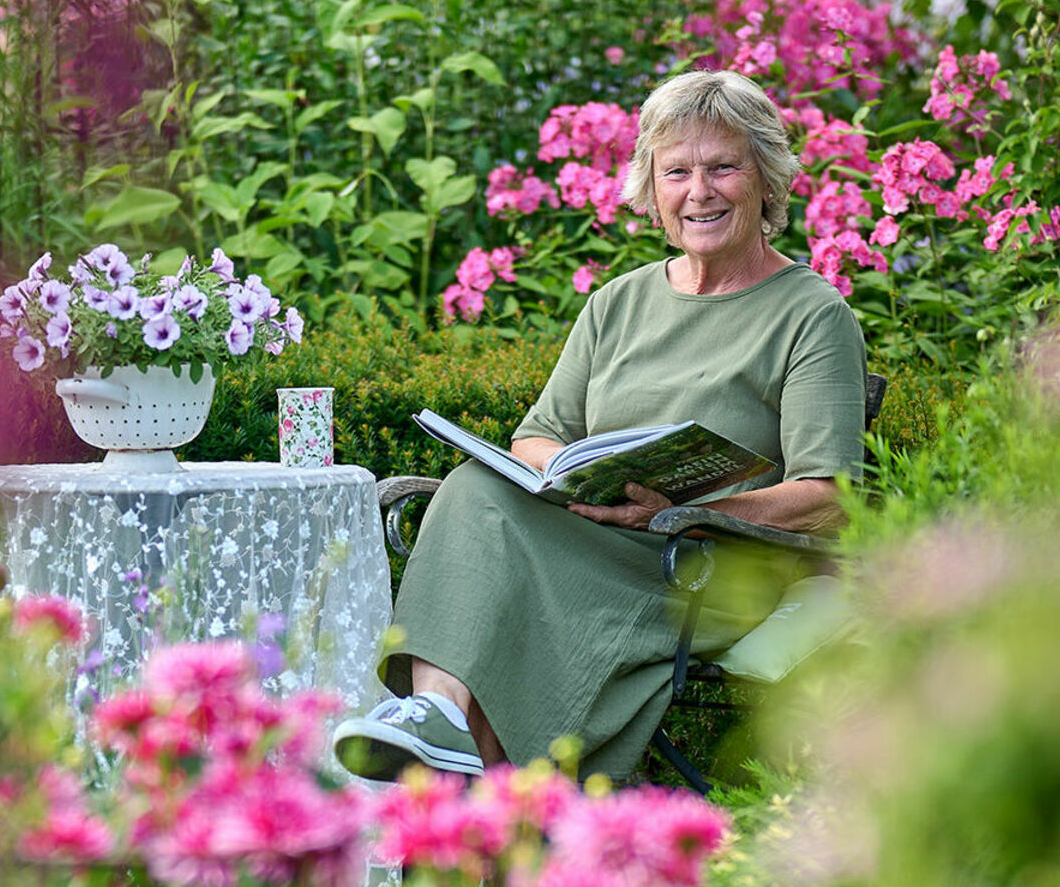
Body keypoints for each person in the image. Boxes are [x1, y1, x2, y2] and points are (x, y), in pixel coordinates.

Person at [331, 69, 867, 782]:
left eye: (722, 168)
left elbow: (828, 495)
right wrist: (569, 472)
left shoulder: (811, 314)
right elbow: (539, 432)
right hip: (590, 531)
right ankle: (443, 723)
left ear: (766, 180)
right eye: (675, 171)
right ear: (653, 189)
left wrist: (684, 508)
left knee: (500, 574)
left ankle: (473, 796)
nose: (698, 191)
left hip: (696, 567)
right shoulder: (619, 302)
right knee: (473, 487)